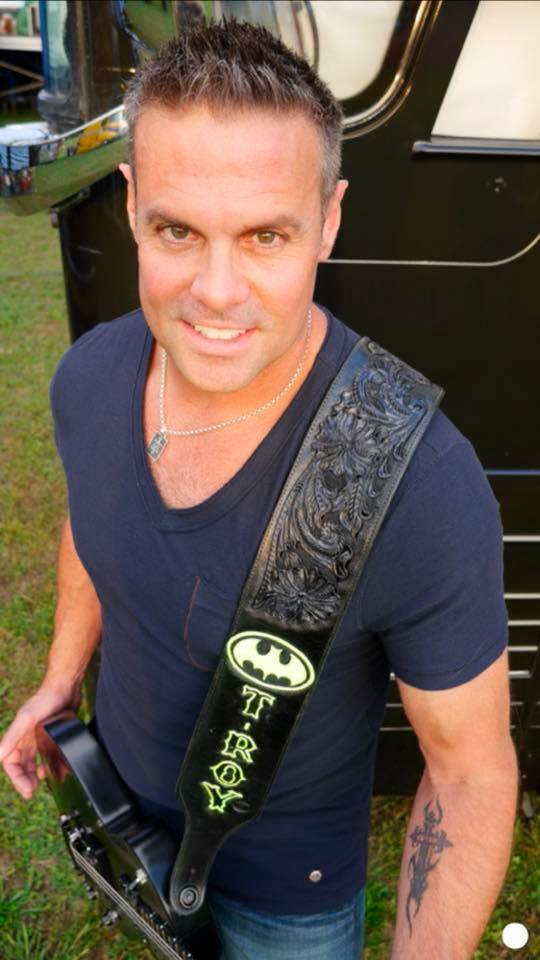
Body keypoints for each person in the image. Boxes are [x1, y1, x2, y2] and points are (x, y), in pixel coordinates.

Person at [0, 19, 518, 960]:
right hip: (124, 807)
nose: (216, 291)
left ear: (330, 220)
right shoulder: (90, 378)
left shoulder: (418, 486)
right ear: (132, 204)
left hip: (288, 900)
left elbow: (469, 780)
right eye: (178, 230)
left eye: (266, 235)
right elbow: (90, 520)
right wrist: (60, 681)